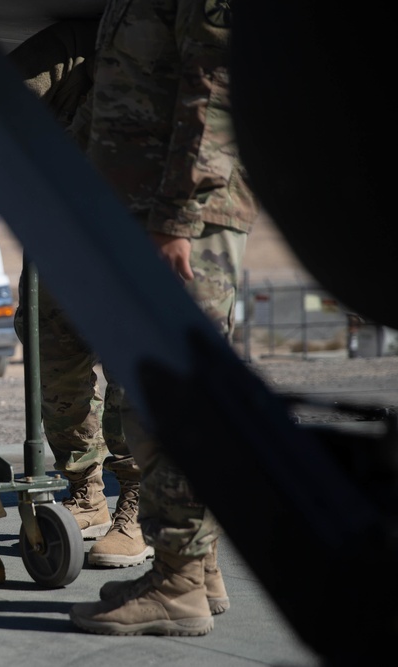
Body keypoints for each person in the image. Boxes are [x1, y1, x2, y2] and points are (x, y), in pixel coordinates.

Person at [60, 0, 258, 637]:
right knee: (159, 399)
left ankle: (176, 584)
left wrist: (176, 217)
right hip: (140, 214)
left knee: (168, 401)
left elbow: (218, 82)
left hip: (171, 222)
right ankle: (196, 570)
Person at [8, 19, 149, 570]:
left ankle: (139, 505)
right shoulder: (82, 38)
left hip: (141, 233)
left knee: (134, 378)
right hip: (63, 236)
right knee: (52, 360)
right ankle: (86, 490)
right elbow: (1, 95)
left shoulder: (190, 33)